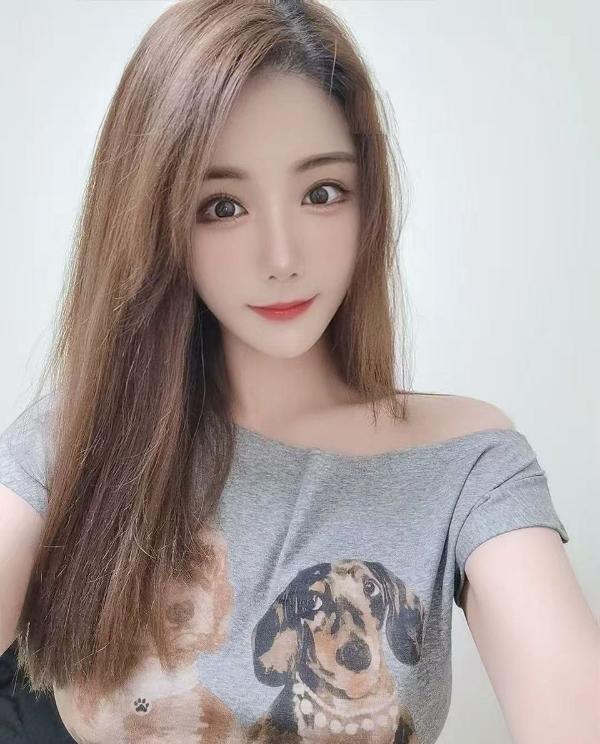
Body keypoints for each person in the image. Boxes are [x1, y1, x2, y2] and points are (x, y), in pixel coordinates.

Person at [1, 1, 597, 743]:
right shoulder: (82, 435)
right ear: (157, 222)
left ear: (367, 200)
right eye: (222, 206)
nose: (281, 257)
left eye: (321, 193)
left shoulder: (465, 466)